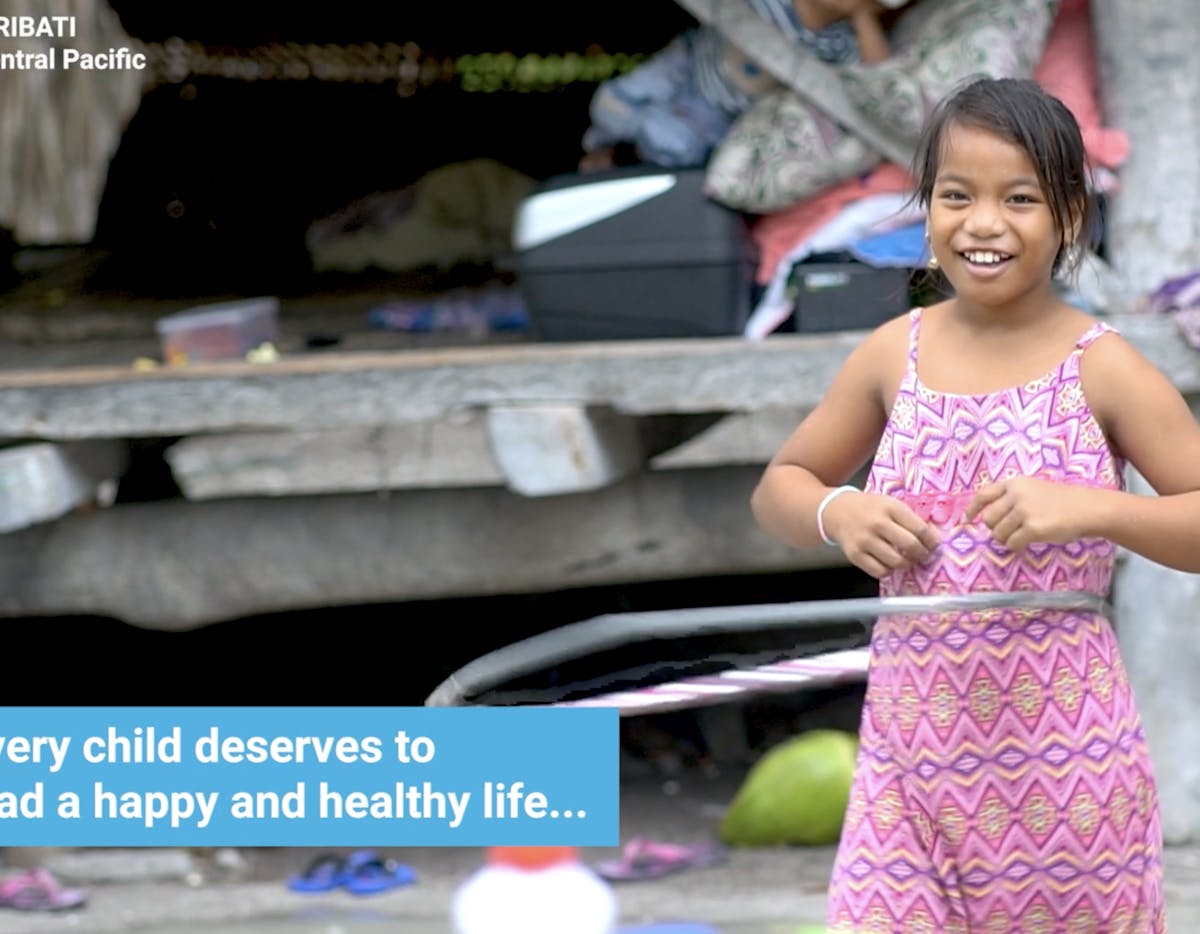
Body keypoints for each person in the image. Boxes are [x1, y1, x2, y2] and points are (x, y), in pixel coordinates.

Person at [749, 76, 1198, 931]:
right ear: (928, 211)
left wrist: (1093, 510)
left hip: (1068, 777)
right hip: (909, 767)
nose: (983, 223)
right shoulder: (891, 356)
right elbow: (781, 486)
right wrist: (835, 513)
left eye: (1019, 198)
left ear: (1070, 216)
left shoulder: (1105, 368)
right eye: (957, 195)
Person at [578, 0, 909, 172]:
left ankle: (619, 158)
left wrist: (864, 17)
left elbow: (878, 78)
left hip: (714, 110)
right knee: (609, 104)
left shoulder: (836, 43)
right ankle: (603, 143)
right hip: (685, 64)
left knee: (674, 146)